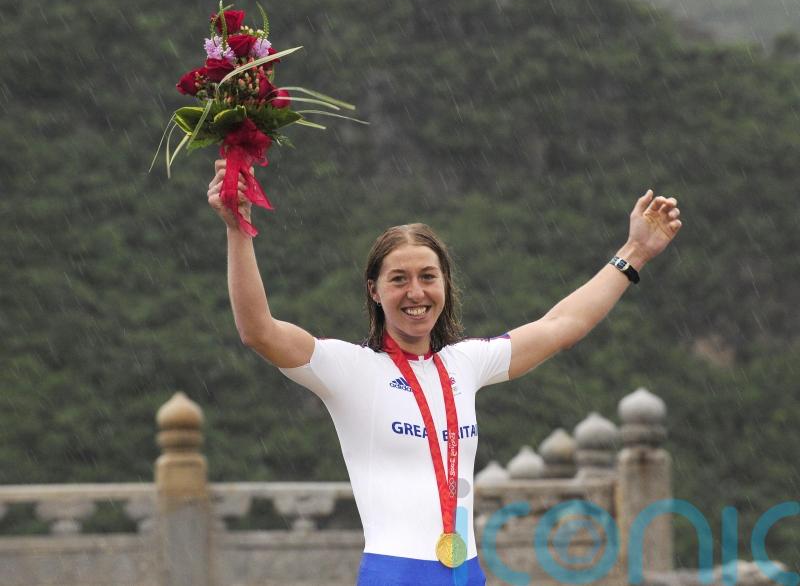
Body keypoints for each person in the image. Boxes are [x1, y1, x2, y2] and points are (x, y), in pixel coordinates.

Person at [207, 159, 682, 586]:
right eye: (399, 279)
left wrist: (633, 254)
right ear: (374, 291)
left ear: (445, 285)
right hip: (394, 574)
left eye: (427, 277)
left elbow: (561, 326)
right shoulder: (349, 369)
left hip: (466, 572)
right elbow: (259, 332)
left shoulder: (466, 364)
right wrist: (237, 229)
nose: (416, 292)